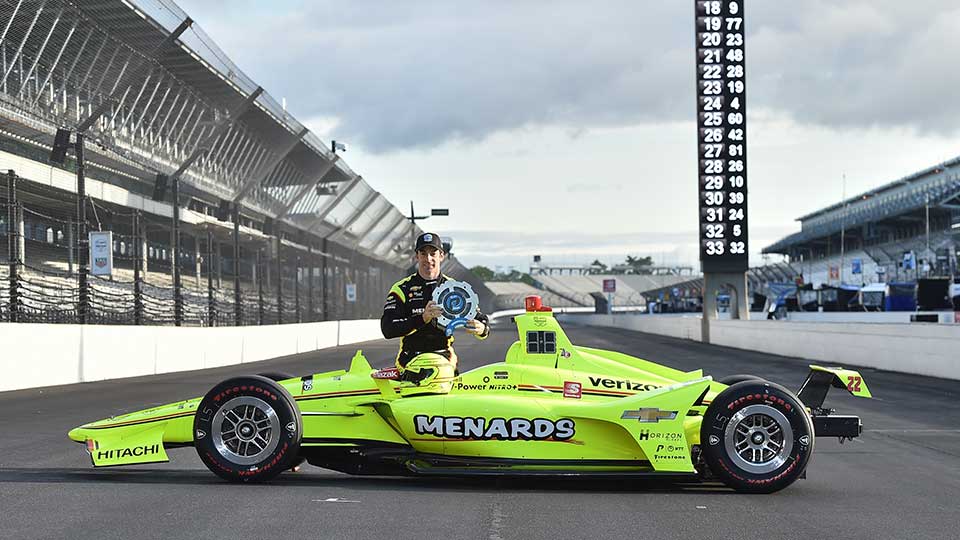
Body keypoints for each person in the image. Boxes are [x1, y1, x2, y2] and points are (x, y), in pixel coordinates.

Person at [380, 232, 490, 377]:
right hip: (409, 361)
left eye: (433, 253)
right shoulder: (402, 289)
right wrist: (422, 318)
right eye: (423, 254)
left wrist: (481, 328)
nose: (428, 259)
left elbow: (481, 320)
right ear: (416, 257)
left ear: (441, 256)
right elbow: (388, 329)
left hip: (445, 360)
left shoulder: (454, 288)